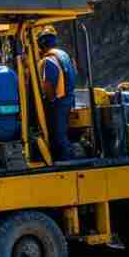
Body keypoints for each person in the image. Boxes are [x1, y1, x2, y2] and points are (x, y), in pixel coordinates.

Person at [38, 26, 78, 161]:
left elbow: (48, 84)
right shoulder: (63, 55)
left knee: (58, 134)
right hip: (68, 98)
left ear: (42, 44)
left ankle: (66, 160)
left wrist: (49, 100)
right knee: (62, 131)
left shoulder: (49, 60)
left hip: (59, 101)